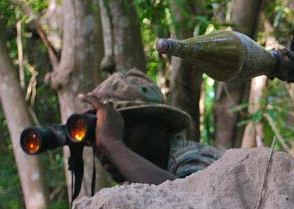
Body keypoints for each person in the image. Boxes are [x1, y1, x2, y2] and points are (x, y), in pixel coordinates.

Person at [78, 69, 222, 184]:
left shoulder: (196, 159)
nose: (102, 147)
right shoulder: (142, 179)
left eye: (120, 130)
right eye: (97, 134)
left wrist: (113, 144)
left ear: (158, 126)